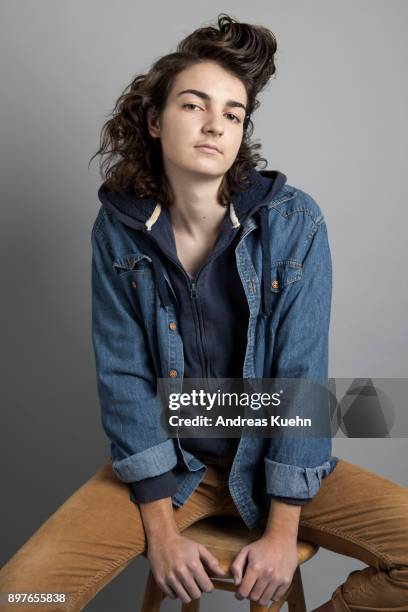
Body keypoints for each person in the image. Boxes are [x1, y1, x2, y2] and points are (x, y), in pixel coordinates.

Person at [1, 13, 407, 612]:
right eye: (194, 105)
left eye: (234, 113)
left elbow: (300, 379)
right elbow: (124, 381)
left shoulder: (294, 222)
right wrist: (161, 532)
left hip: (279, 466)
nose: (216, 124)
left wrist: (281, 530)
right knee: (23, 595)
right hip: (172, 469)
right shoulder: (119, 234)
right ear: (154, 119)